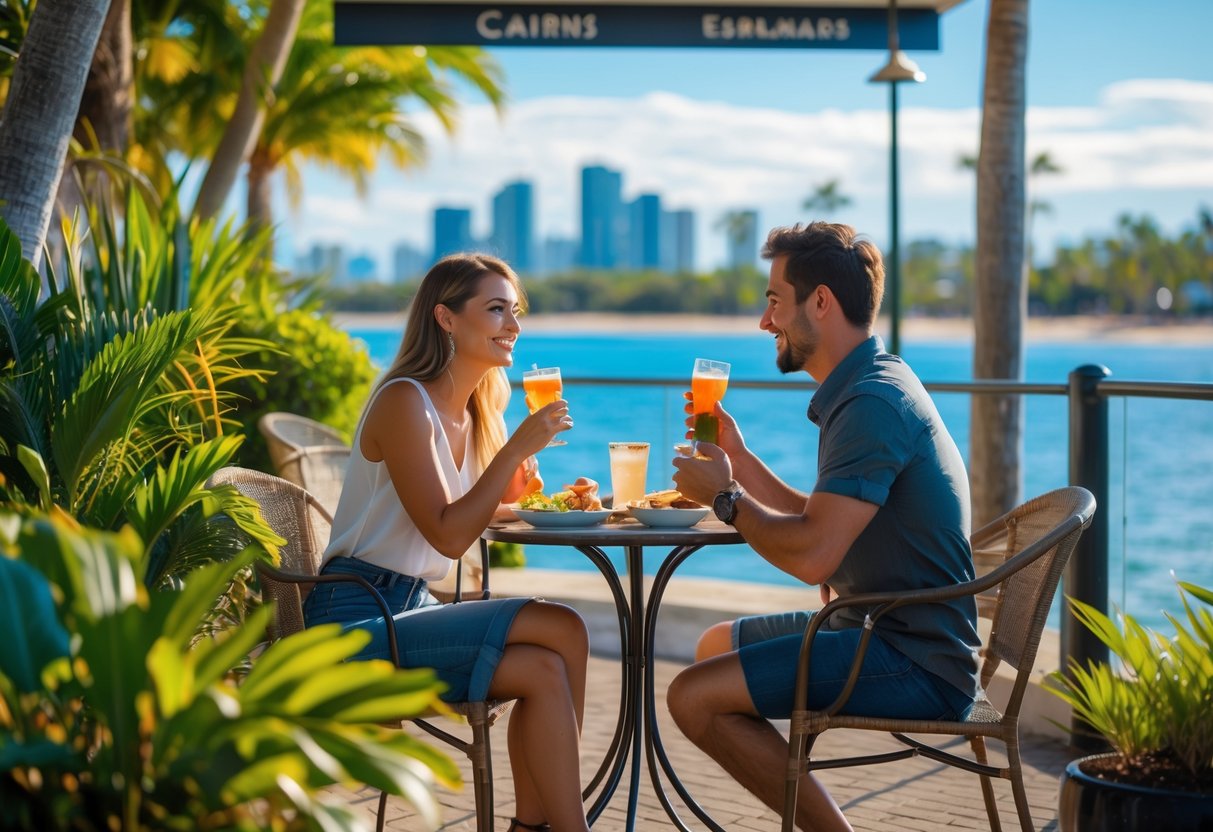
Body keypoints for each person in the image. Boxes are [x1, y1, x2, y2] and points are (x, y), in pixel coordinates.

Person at [667, 221, 980, 832]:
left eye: (773, 301)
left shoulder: (870, 403)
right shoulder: (869, 384)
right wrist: (742, 458)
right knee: (712, 650)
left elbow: (812, 555)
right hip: (879, 624)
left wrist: (726, 497)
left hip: (914, 657)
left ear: (820, 302)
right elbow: (820, 523)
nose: (765, 322)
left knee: (693, 697)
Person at [303, 253, 590, 832]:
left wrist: (526, 479)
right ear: (446, 318)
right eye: (495, 310)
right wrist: (513, 450)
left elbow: (478, 510)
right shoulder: (404, 401)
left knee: (542, 668)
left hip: (412, 607)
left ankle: (531, 827)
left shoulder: (476, 407)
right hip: (355, 617)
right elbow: (449, 533)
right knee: (563, 627)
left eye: (516, 312)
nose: (512, 325)